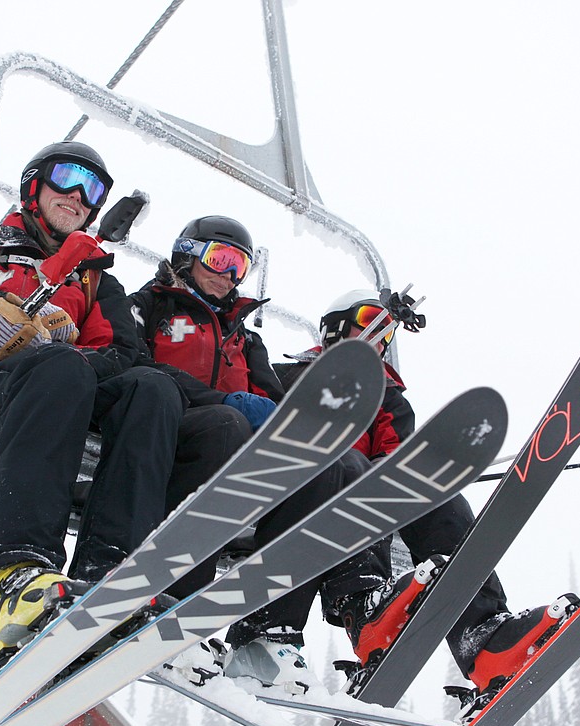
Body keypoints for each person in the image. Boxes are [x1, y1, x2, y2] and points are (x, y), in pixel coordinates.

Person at [0, 141, 184, 675]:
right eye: (67, 178)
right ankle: (17, 573)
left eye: (92, 188)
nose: (78, 195)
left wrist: (67, 343)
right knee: (59, 367)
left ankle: (112, 573)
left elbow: (123, 353)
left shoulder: (93, 277)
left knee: (154, 389)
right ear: (33, 184)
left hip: (63, 387)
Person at [275, 288, 580, 700]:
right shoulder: (289, 375)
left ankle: (484, 638)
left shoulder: (388, 398)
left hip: (364, 500)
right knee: (352, 471)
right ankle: (361, 609)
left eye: (386, 331)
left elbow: (397, 457)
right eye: (368, 321)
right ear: (334, 329)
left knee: (440, 499)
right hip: (306, 491)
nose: (379, 336)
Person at [129, 216, 391, 694]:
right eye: (220, 259)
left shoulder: (247, 341)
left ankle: (266, 629)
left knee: (329, 462)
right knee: (226, 425)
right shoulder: (152, 307)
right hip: (171, 430)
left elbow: (275, 404)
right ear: (187, 254)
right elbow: (129, 364)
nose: (229, 274)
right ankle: (176, 603)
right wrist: (220, 402)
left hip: (237, 451)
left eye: (240, 266)